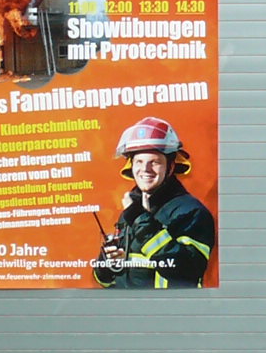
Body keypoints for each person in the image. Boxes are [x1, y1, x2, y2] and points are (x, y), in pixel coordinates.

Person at [92, 116, 215, 288]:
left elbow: (187, 271)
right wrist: (108, 263)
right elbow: (105, 281)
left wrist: (139, 220)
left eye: (154, 162)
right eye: (139, 162)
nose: (145, 169)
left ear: (170, 167)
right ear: (131, 166)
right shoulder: (130, 212)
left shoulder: (191, 212)